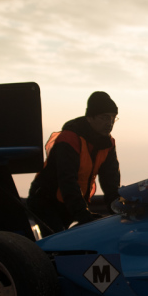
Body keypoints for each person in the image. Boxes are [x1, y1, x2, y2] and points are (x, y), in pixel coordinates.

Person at [27, 92, 121, 234]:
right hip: (46, 202)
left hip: (71, 204)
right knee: (56, 243)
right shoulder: (69, 139)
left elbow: (111, 181)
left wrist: (117, 211)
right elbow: (67, 180)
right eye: (105, 117)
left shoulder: (108, 144)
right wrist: (83, 214)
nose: (110, 123)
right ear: (90, 117)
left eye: (113, 118)